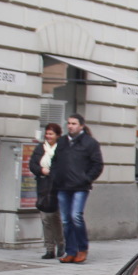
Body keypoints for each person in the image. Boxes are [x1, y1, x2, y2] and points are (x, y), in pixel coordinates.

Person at [53, 113, 104, 264]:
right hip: (63, 186)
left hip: (80, 187)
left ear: (81, 126)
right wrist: (56, 176)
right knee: (66, 220)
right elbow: (55, 161)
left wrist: (86, 179)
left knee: (76, 217)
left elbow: (97, 164)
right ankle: (70, 251)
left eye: (74, 123)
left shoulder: (90, 143)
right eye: (68, 123)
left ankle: (82, 249)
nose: (70, 126)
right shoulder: (62, 142)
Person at [28, 123, 64, 259]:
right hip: (43, 186)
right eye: (47, 133)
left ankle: (61, 244)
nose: (48, 136)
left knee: (55, 217)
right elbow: (32, 164)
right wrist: (41, 170)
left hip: (57, 187)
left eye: (51, 134)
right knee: (45, 218)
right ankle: (49, 248)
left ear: (58, 135)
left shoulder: (62, 149)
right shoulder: (40, 148)